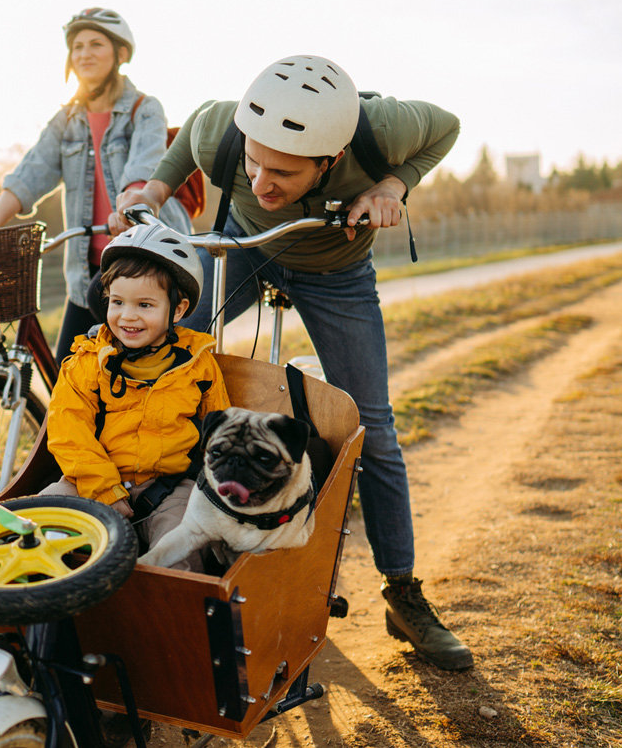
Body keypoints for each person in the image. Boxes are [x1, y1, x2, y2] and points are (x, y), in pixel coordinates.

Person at [111, 54, 473, 670]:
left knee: (374, 429)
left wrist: (392, 185)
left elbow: (448, 126)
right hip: (247, 251)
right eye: (252, 161)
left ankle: (403, 592)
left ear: (330, 160)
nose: (258, 180)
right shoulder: (222, 129)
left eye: (281, 172)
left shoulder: (381, 128)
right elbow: (197, 129)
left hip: (337, 270)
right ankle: (142, 517)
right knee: (164, 365)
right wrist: (154, 188)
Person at [0, 8, 192, 361]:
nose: (84, 53)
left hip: (145, 266)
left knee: (138, 380)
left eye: (96, 44)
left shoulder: (144, 110)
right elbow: (31, 171)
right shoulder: (65, 120)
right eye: (77, 46)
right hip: (89, 274)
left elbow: (142, 170)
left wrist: (130, 207)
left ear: (121, 54)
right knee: (65, 378)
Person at [38, 223, 229, 564]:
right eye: (117, 302)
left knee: (181, 549)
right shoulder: (85, 362)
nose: (128, 316)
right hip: (91, 481)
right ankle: (47, 609)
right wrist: (104, 489)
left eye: (144, 305)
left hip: (170, 489)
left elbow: (220, 432)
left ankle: (169, 612)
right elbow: (69, 433)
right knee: (45, 521)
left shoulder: (199, 366)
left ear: (179, 310)